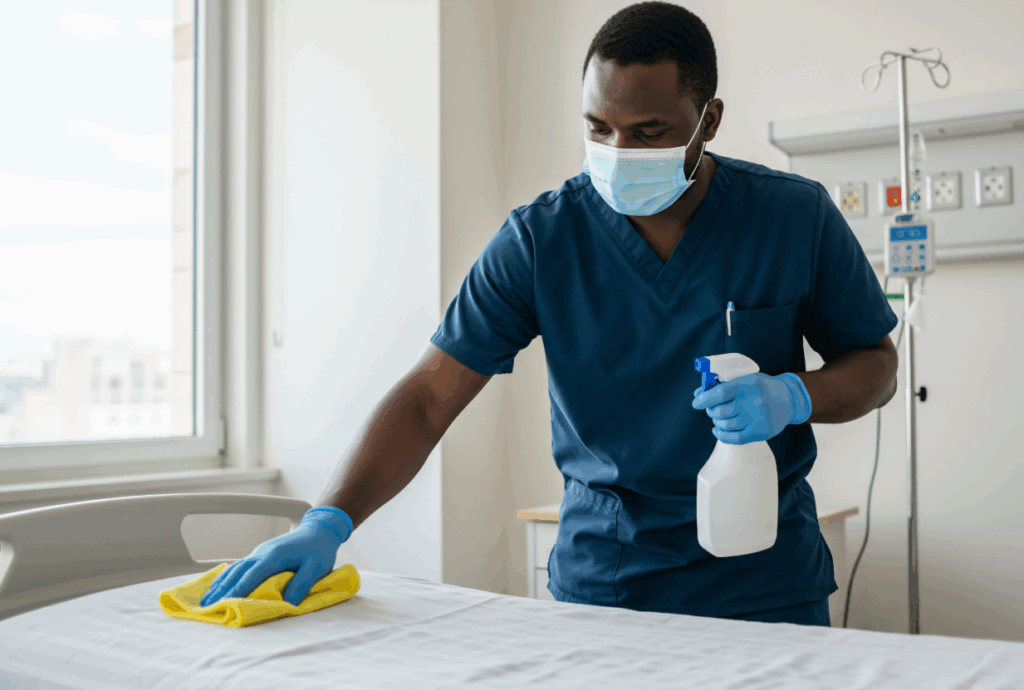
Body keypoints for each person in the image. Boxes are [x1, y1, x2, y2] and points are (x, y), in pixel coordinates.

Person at [201, 1, 898, 627]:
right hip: (607, 585)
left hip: (763, 581)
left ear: (708, 120)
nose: (619, 154)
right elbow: (428, 397)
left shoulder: (791, 216)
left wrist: (795, 394)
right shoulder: (543, 240)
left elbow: (876, 364)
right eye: (599, 128)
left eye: (649, 132)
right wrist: (328, 519)